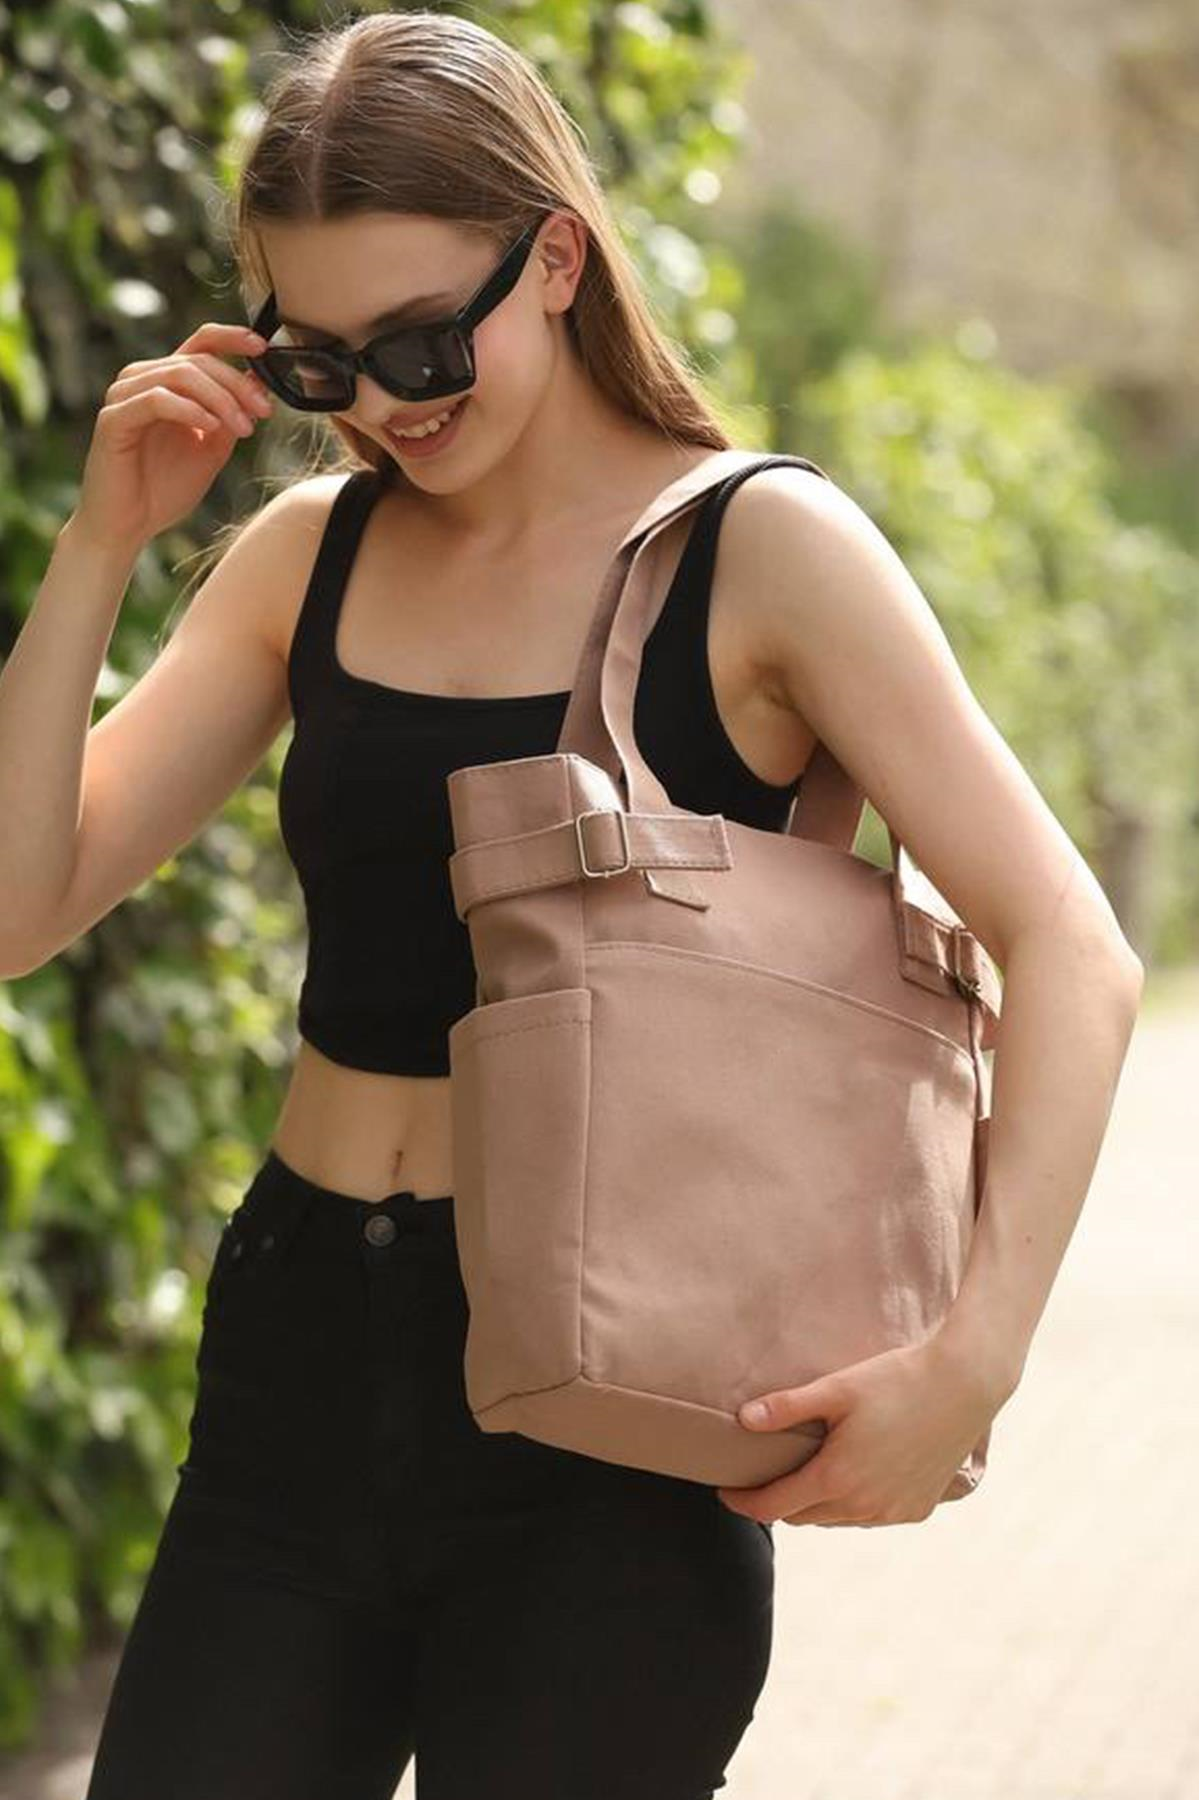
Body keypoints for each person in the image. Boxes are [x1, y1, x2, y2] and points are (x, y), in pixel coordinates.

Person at [0, 9, 1145, 1800]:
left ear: (552, 257)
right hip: (303, 1353)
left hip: (622, 1402)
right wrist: (98, 550)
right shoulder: (313, 556)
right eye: (319, 364)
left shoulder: (758, 550)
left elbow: (1070, 947)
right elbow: (21, 908)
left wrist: (971, 1360)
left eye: (420, 339)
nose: (383, 402)